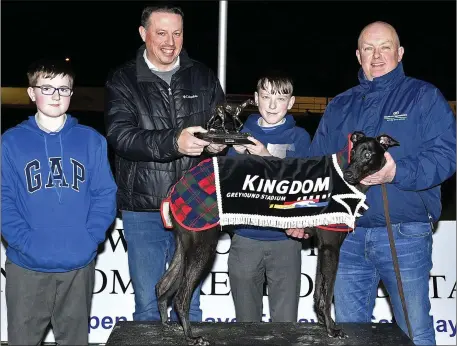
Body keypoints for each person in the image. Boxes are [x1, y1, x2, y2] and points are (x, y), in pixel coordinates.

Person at [287, 21, 456, 345]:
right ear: (358, 54)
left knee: (415, 331)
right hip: (345, 238)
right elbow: (316, 167)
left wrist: (398, 172)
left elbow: (447, 155)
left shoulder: (424, 97)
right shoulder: (339, 105)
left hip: (404, 232)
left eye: (385, 47)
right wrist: (303, 216)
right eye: (368, 48)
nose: (376, 55)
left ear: (400, 52)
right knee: (350, 334)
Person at [104, 5, 226, 322]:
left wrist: (218, 143)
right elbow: (120, 136)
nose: (170, 42)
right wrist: (174, 142)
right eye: (161, 33)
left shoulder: (203, 75)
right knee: (147, 306)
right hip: (144, 209)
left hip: (196, 206)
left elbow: (222, 127)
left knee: (191, 306)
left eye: (177, 33)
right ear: (144, 34)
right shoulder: (123, 79)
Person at [1, 59, 117, 345]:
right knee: (23, 340)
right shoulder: (11, 142)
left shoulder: (91, 140)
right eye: (47, 87)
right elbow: (4, 199)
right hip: (27, 267)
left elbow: (104, 194)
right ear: (32, 93)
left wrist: (88, 239)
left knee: (75, 340)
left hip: (77, 266)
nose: (55, 95)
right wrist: (25, 243)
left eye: (63, 89)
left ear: (71, 93)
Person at [227, 73, 311, 322]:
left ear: (292, 102)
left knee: (285, 326)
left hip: (285, 241)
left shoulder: (301, 138)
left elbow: (303, 186)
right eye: (265, 97)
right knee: (246, 326)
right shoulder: (239, 135)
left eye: (280, 98)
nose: (272, 105)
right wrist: (233, 158)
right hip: (245, 239)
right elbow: (229, 187)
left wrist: (264, 156)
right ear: (255, 99)